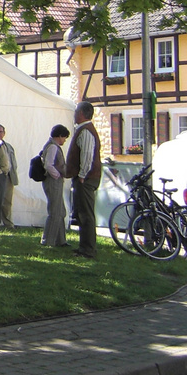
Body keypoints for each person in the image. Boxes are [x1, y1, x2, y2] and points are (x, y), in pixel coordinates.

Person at [66, 101, 103, 258]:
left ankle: (88, 250)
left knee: (86, 214)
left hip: (86, 179)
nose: (74, 115)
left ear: (81, 114)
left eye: (76, 112)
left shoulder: (86, 131)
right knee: (82, 213)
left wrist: (82, 175)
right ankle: (84, 247)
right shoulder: (84, 130)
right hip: (86, 178)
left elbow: (87, 156)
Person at [39, 124, 70, 247]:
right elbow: (48, 165)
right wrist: (57, 175)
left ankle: (61, 240)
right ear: (60, 136)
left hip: (54, 182)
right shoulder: (53, 147)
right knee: (55, 212)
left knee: (61, 211)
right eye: (64, 138)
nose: (64, 140)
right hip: (53, 182)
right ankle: (48, 241)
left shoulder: (50, 145)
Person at [0, 125, 19, 229]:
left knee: (7, 202)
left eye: (1, 131)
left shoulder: (8, 146)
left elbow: (13, 162)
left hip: (8, 177)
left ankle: (8, 224)